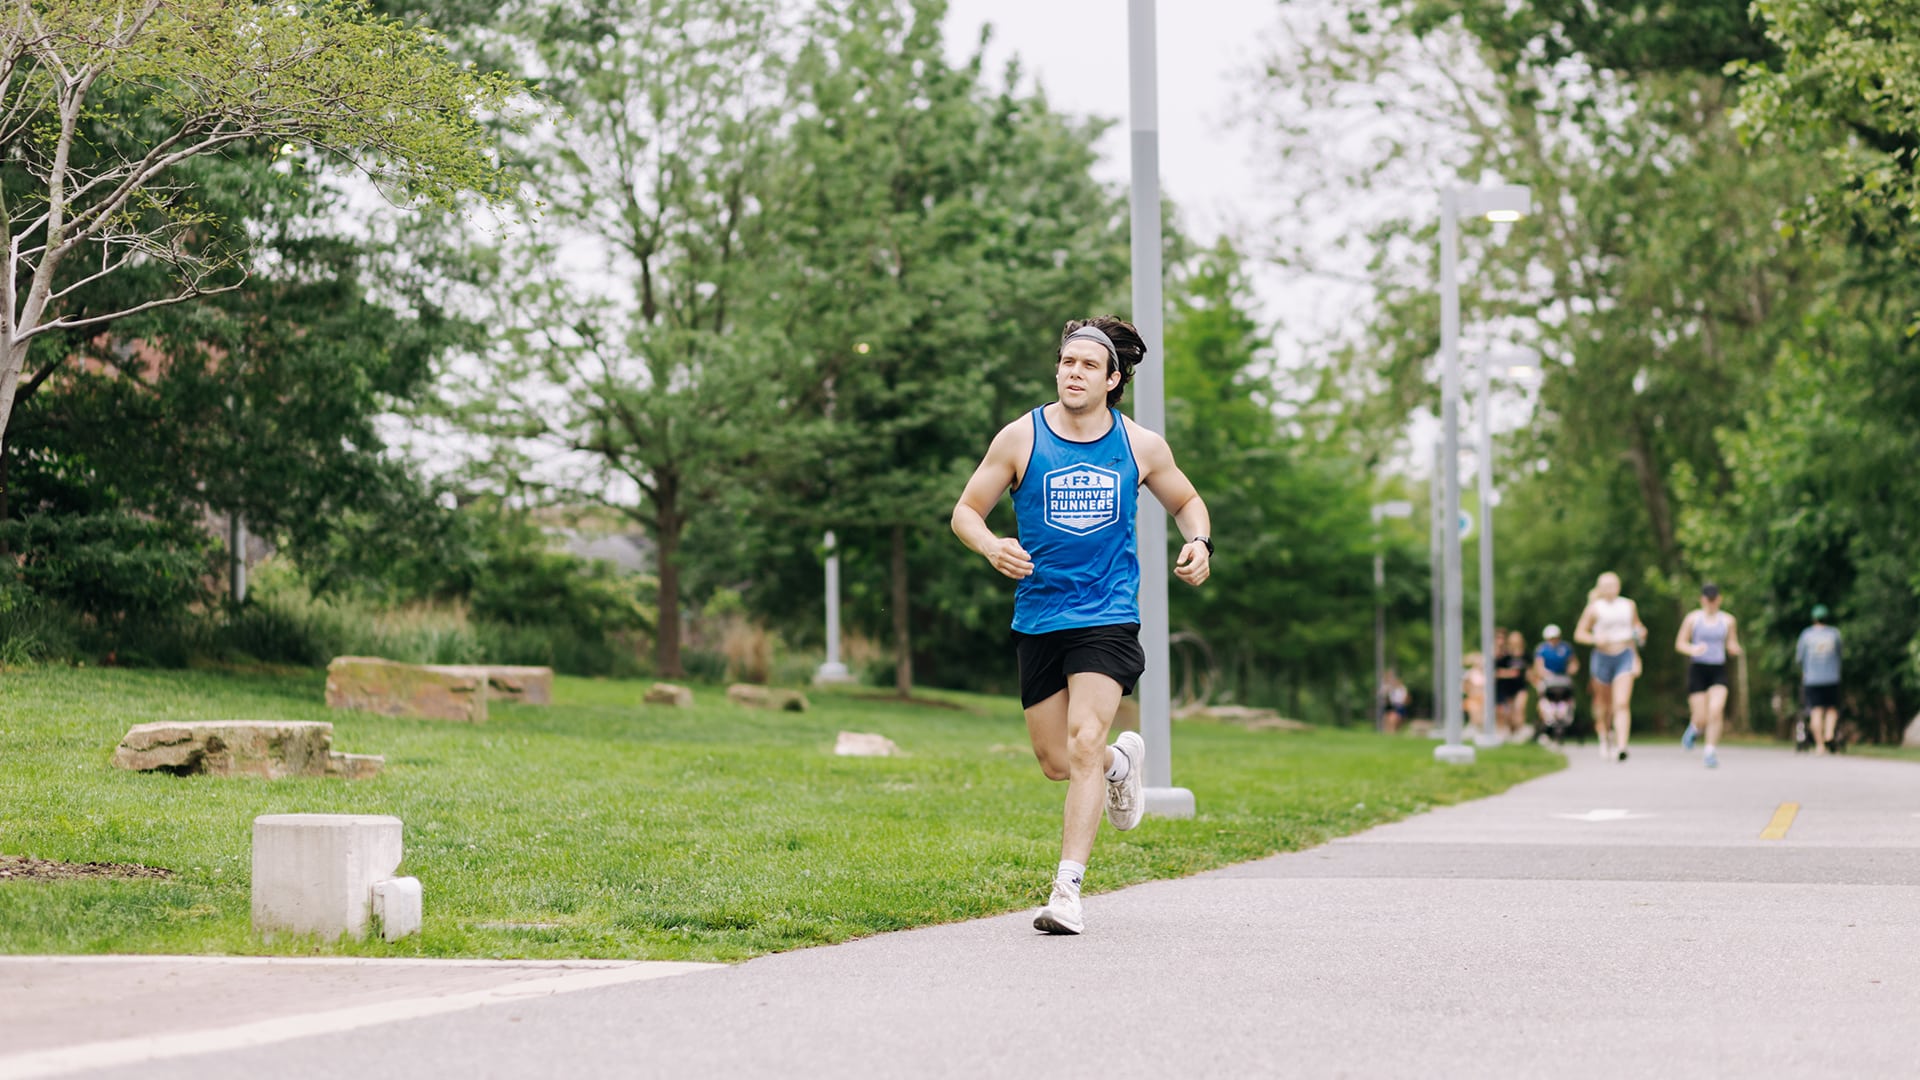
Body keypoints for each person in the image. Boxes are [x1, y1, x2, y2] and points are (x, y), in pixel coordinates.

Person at [951, 315, 1212, 936]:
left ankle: (1066, 891)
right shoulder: (1021, 437)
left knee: (1085, 738)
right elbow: (966, 511)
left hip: (1107, 611)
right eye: (1068, 363)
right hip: (1040, 614)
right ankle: (1124, 766)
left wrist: (1199, 541)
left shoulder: (1140, 445)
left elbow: (1186, 501)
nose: (1074, 373)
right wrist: (991, 546)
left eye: (1089, 366)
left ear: (1113, 378)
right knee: (1056, 759)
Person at [1574, 572, 1647, 762]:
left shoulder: (1628, 605)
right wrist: (1594, 638)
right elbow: (1579, 633)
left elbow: (1637, 628)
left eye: (1613, 584)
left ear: (1619, 586)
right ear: (1600, 588)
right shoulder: (1594, 609)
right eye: (1605, 585)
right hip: (1602, 657)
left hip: (1624, 655)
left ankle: (1622, 746)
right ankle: (1605, 735)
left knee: (1621, 703)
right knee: (1604, 705)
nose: (1610, 588)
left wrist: (1640, 636)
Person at [1676, 583, 1743, 769]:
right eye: (1708, 599)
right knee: (1701, 716)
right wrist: (1693, 649)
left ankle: (1710, 750)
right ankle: (1695, 728)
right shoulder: (1693, 619)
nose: (1712, 603)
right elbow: (1680, 643)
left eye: (1715, 599)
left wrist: (1734, 649)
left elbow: (1732, 643)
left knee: (1716, 709)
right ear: (1702, 599)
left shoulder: (1728, 620)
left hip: (1717, 669)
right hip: (1698, 669)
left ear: (1719, 599)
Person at [1796, 605, 1843, 754]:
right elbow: (1840, 654)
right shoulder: (1834, 634)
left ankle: (1820, 745)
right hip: (1832, 678)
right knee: (1831, 709)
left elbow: (1799, 658)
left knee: (1816, 710)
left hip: (1812, 679)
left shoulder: (1806, 635)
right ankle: (1829, 734)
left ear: (1814, 618)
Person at [1532, 623, 1580, 746]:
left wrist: (1571, 670)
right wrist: (1545, 673)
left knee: (1568, 697)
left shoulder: (1566, 648)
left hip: (1563, 679)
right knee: (1543, 698)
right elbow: (1538, 666)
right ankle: (1545, 725)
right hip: (1548, 680)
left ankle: (1565, 719)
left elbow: (1574, 664)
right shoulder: (1542, 649)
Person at [1494, 629, 1531, 743]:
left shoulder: (1526, 655)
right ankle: (1510, 733)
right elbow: (1496, 671)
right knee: (1509, 714)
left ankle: (1519, 733)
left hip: (1521, 687)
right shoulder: (1505, 657)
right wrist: (1510, 673)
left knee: (1520, 708)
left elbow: (1531, 671)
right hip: (1507, 688)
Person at [1380, 669, 1411, 734]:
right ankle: (1390, 732)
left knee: (1397, 721)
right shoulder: (1387, 686)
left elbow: (1406, 698)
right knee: (1390, 719)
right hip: (1391, 705)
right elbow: (1383, 694)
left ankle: (1394, 732)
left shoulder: (1402, 688)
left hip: (1400, 706)